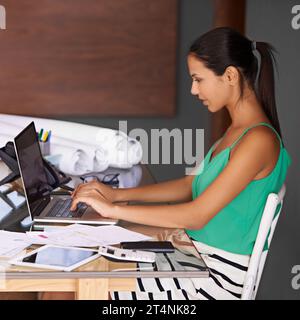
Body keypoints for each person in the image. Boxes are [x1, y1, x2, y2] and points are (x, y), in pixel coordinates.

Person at [70, 27, 292, 300]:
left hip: (214, 280)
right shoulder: (239, 132)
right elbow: (191, 185)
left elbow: (196, 215)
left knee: (81, 286)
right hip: (194, 259)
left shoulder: (258, 140)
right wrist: (116, 194)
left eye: (198, 79)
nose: (193, 89)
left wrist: (112, 209)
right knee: (73, 272)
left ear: (230, 75)